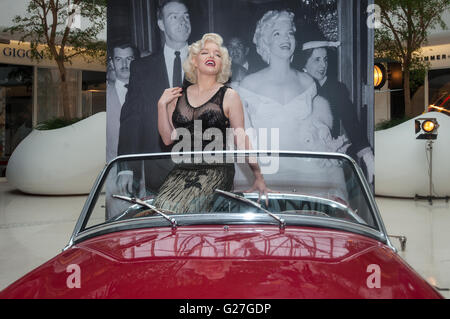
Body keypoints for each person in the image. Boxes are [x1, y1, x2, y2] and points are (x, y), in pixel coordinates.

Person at [235, 10, 349, 198]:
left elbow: (315, 128)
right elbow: (242, 140)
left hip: (307, 171)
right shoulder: (249, 85)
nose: (285, 38)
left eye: (289, 33)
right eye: (277, 33)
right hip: (266, 171)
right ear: (265, 41)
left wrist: (326, 146)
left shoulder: (308, 82)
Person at [152, 33, 271, 213]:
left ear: (221, 64)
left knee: (185, 210)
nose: (211, 57)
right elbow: (168, 139)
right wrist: (161, 105)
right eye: (205, 53)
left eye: (217, 54)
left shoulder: (230, 96)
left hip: (216, 169)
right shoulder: (177, 97)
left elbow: (241, 139)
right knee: (160, 209)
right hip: (183, 169)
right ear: (194, 61)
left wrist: (258, 175)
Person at [117, 0, 192, 195]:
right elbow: (131, 121)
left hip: (200, 173)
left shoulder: (208, 61)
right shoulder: (142, 68)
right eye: (174, 17)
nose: (182, 21)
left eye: (185, 16)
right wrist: (126, 167)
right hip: (157, 174)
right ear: (161, 24)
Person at [299, 40, 374, 183]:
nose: (323, 65)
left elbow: (351, 122)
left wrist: (367, 156)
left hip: (329, 160)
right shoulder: (295, 86)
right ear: (305, 63)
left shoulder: (336, 88)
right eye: (317, 60)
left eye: (325, 59)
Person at [106, 43, 137, 162]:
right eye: (118, 59)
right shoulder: (105, 96)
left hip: (147, 173)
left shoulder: (150, 93)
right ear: (112, 63)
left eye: (129, 59)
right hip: (114, 171)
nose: (124, 65)